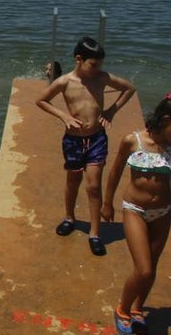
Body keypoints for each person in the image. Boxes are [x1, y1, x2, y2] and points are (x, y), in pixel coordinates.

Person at [102, 94, 171, 335]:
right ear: (166, 119)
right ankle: (122, 310)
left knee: (152, 267)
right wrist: (106, 203)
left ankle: (137, 309)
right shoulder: (132, 141)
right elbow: (114, 173)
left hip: (163, 213)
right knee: (143, 269)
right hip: (134, 209)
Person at [36, 36, 135, 256]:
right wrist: (63, 115)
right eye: (93, 65)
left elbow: (129, 88)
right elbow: (41, 100)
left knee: (93, 185)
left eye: (99, 65)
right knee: (73, 180)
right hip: (73, 139)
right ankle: (69, 218)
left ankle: (95, 233)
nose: (97, 69)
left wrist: (111, 111)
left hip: (97, 138)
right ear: (79, 59)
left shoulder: (101, 78)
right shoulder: (64, 81)